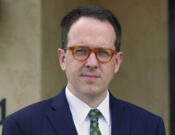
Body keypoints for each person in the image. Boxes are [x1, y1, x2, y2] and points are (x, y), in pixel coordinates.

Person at [2, 6, 166, 135]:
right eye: (81, 51)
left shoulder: (150, 127)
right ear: (62, 59)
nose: (92, 63)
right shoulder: (22, 127)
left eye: (102, 52)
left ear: (117, 62)